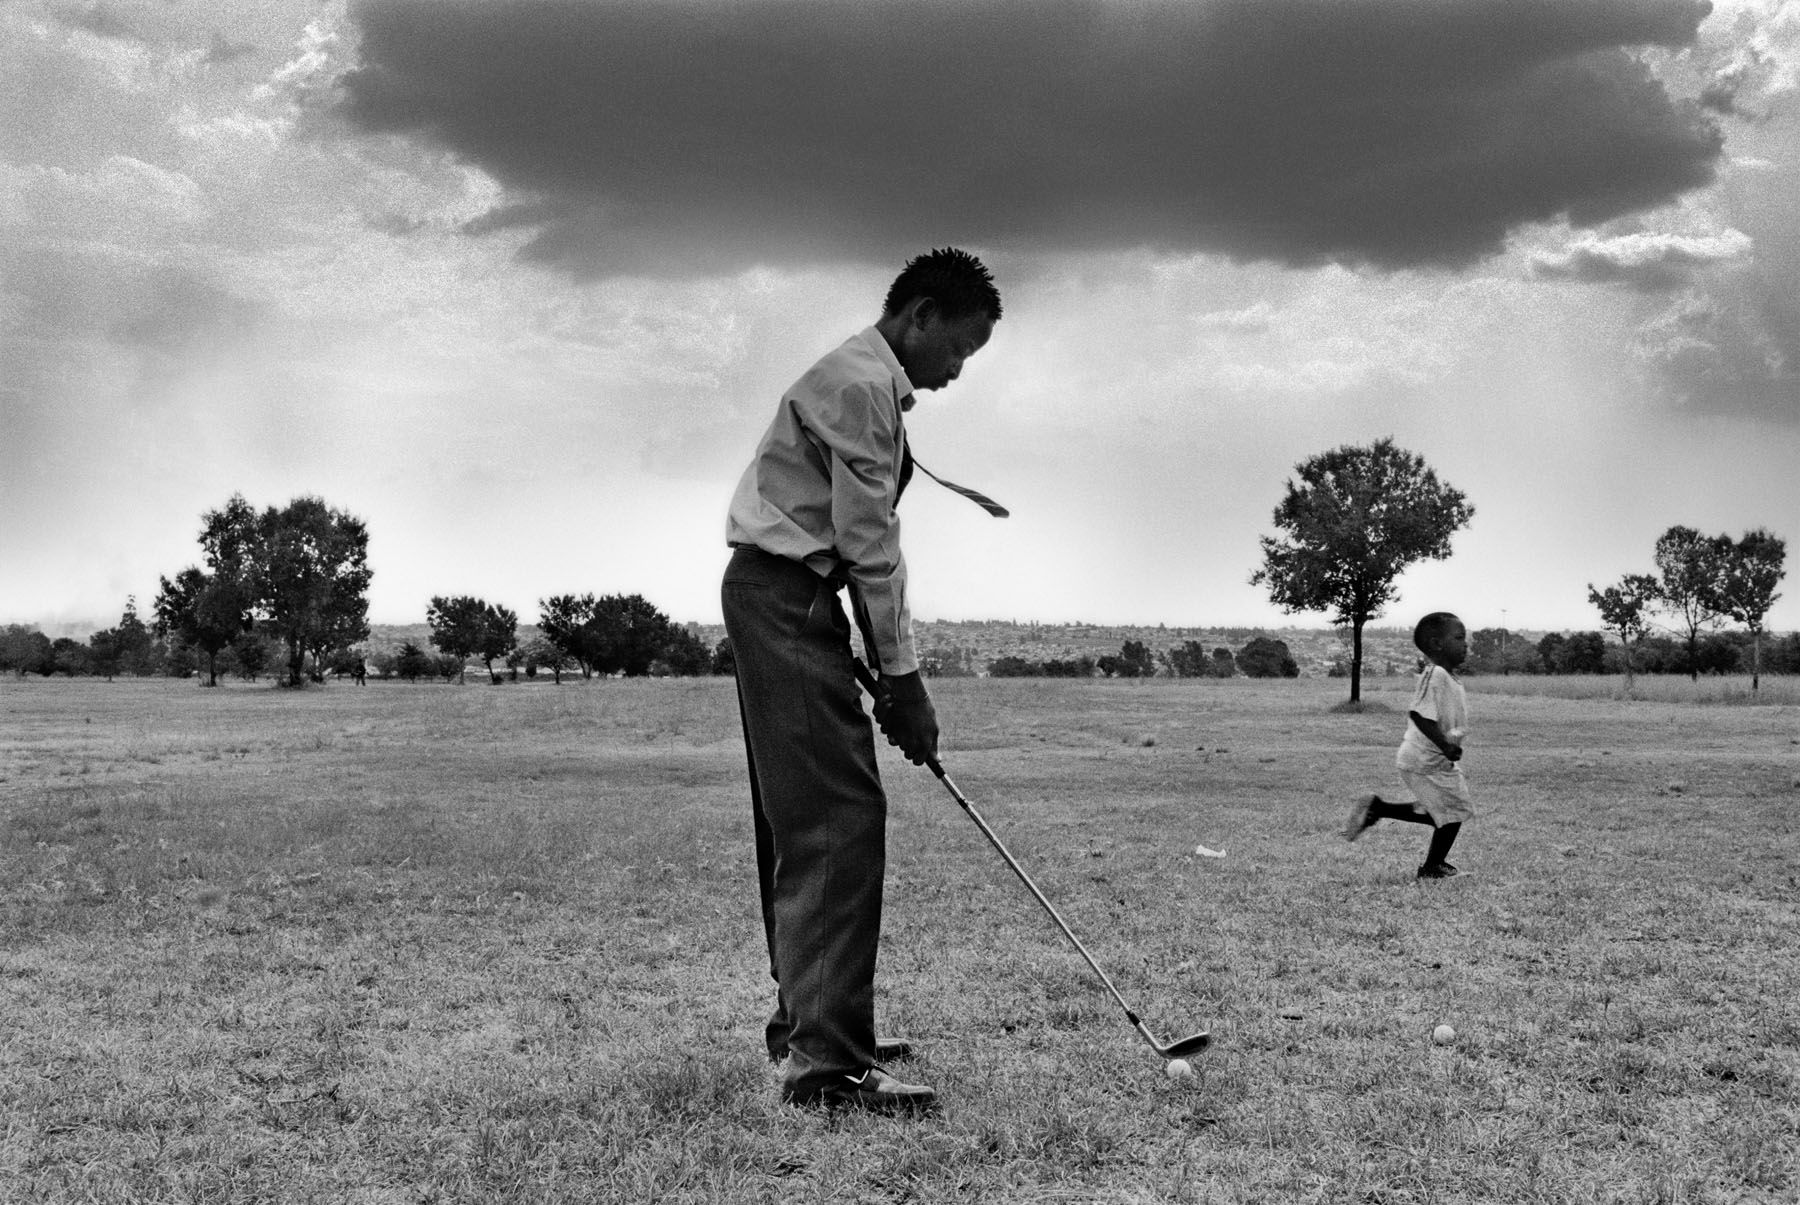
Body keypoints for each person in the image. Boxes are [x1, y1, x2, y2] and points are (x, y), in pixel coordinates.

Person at [721, 248, 1003, 1113]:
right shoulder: (860, 384)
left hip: (787, 595)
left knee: (805, 818)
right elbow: (869, 542)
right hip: (785, 595)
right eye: (957, 349)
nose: (956, 371)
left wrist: (880, 668)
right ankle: (827, 1068)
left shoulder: (866, 380)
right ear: (919, 316)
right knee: (838, 817)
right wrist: (904, 681)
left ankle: (815, 1025)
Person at [1342, 612, 1474, 879]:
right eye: (1459, 638)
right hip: (1423, 760)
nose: (1466, 644)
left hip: (1438, 761)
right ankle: (1432, 865)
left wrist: (1450, 747)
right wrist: (1445, 746)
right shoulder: (1434, 674)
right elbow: (1418, 714)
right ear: (1437, 644)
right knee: (1452, 811)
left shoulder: (1450, 679)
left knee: (1454, 810)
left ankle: (1380, 809)